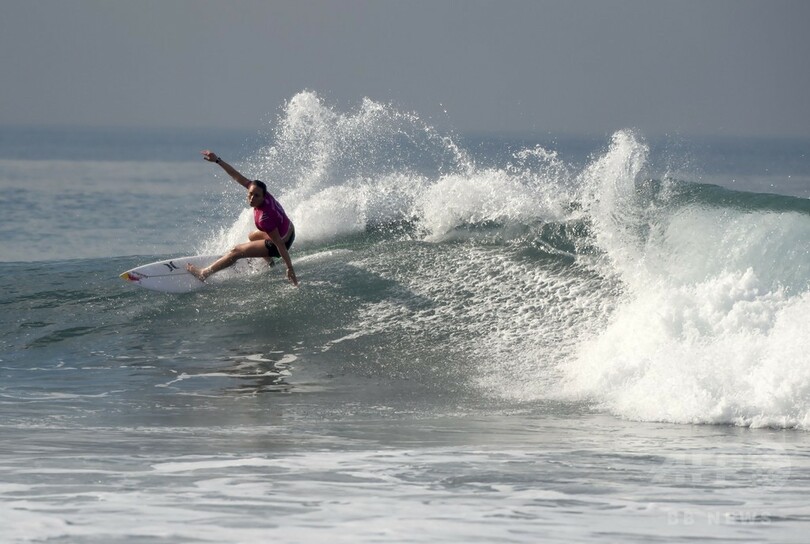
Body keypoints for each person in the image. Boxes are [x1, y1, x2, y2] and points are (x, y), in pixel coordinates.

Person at [187, 150, 298, 286]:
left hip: (282, 242)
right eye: (250, 194)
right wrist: (217, 160)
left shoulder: (265, 217)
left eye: (256, 196)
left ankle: (203, 274)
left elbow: (279, 244)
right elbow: (236, 176)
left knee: (236, 251)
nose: (252, 198)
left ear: (263, 196)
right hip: (289, 230)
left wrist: (290, 268)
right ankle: (270, 264)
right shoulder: (262, 191)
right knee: (252, 236)